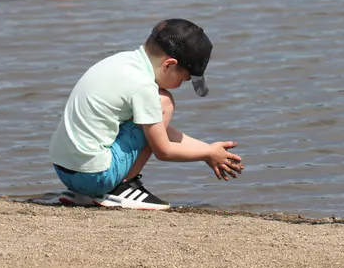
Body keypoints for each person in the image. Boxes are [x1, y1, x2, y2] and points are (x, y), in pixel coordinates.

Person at [49, 19, 243, 210]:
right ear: (169, 65)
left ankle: (85, 192)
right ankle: (121, 188)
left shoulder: (121, 61)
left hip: (65, 169)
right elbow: (163, 150)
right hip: (95, 177)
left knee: (150, 118)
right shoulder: (144, 86)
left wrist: (209, 150)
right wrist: (206, 154)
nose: (180, 86)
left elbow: (155, 129)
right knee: (164, 102)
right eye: (183, 80)